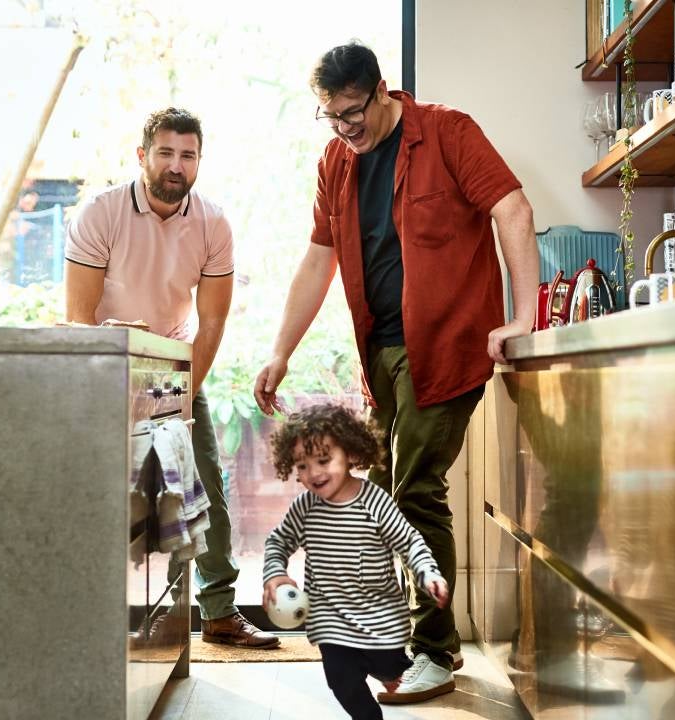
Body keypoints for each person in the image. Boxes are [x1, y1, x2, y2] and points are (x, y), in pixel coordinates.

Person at [252, 42, 539, 701]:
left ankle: (436, 651)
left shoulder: (447, 131)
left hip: (445, 346)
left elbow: (513, 210)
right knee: (374, 496)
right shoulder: (336, 161)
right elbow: (318, 258)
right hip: (379, 351)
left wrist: (525, 316)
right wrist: (279, 349)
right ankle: (391, 639)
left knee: (413, 490)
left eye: (353, 113)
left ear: (382, 90)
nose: (345, 129)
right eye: (331, 117)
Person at [66, 106, 279, 649]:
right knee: (105, 494)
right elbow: (77, 319)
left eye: (188, 155)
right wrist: (116, 379)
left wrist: (184, 398)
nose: (176, 166)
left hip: (176, 368)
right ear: (143, 156)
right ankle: (90, 616)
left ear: (199, 162)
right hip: (106, 366)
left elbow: (213, 320)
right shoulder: (99, 213)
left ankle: (219, 612)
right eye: (165, 153)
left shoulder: (213, 223)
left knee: (204, 484)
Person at [262, 403, 451, 718]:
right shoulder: (305, 507)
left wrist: (428, 573)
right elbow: (278, 541)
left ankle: (393, 670)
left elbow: (409, 540)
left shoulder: (375, 501)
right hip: (331, 622)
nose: (315, 473)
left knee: (388, 665)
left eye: (324, 460)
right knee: (341, 680)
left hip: (380, 619)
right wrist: (275, 573)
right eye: (303, 465)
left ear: (350, 453)